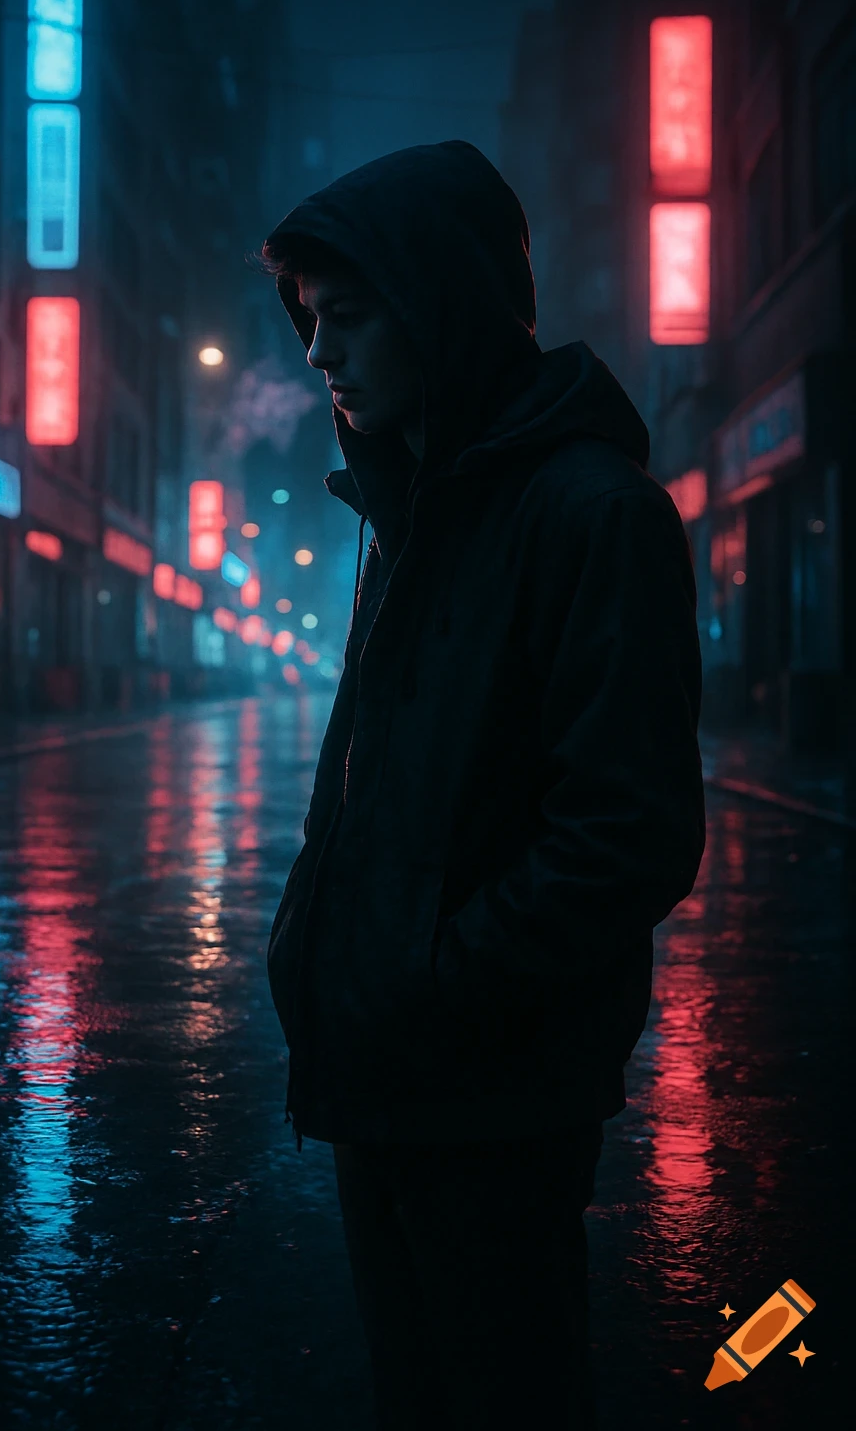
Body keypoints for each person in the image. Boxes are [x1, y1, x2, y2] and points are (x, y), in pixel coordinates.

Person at [256, 140, 706, 1430]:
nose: (322, 354)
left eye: (348, 318)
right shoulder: (414, 511)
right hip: (383, 1079)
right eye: (310, 323)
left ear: (438, 306)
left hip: (491, 1097)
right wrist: (325, 961)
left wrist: (431, 984)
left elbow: (627, 836)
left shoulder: (589, 514)